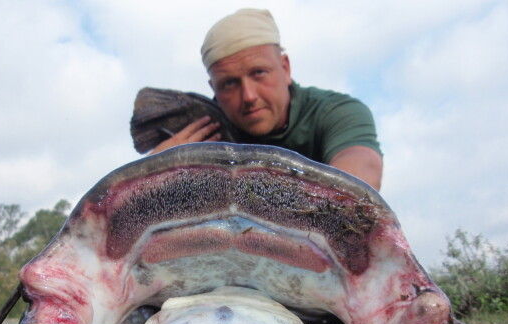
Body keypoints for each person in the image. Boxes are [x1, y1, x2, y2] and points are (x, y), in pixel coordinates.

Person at [149, 8, 383, 191]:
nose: (249, 96)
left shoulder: (336, 112)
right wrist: (154, 169)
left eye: (258, 73)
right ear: (214, 89)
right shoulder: (200, 136)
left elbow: (361, 173)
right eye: (229, 83)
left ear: (285, 68)